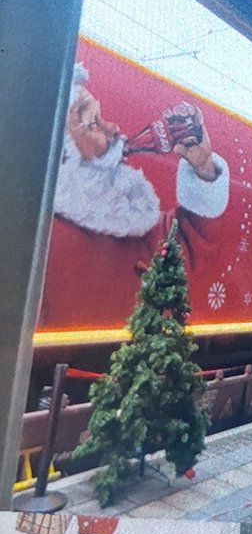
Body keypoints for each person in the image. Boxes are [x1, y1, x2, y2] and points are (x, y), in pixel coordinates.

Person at [37, 63, 230, 332]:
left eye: (101, 116)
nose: (114, 128)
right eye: (92, 123)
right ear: (63, 155)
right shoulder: (45, 243)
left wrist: (203, 167)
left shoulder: (122, 213)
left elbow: (185, 247)